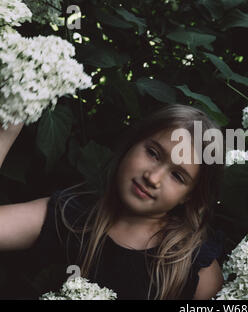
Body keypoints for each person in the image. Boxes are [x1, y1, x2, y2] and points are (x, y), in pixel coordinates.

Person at [0, 104, 225, 300]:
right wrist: (7, 131)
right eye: (153, 153)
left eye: (177, 176)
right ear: (132, 144)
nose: (153, 177)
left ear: (190, 196)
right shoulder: (69, 216)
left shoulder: (194, 268)